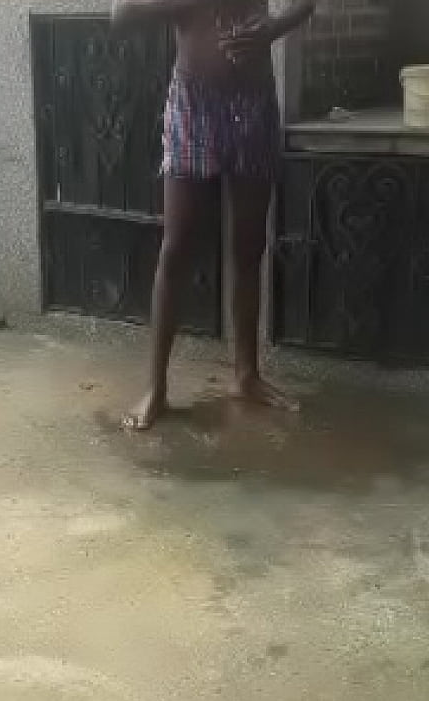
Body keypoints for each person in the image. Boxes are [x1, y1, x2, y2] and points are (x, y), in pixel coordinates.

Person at [111, 0, 318, 430]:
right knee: (178, 246)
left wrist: (273, 28)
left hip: (254, 104)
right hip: (193, 104)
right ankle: (157, 388)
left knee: (248, 247)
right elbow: (122, 12)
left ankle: (247, 375)